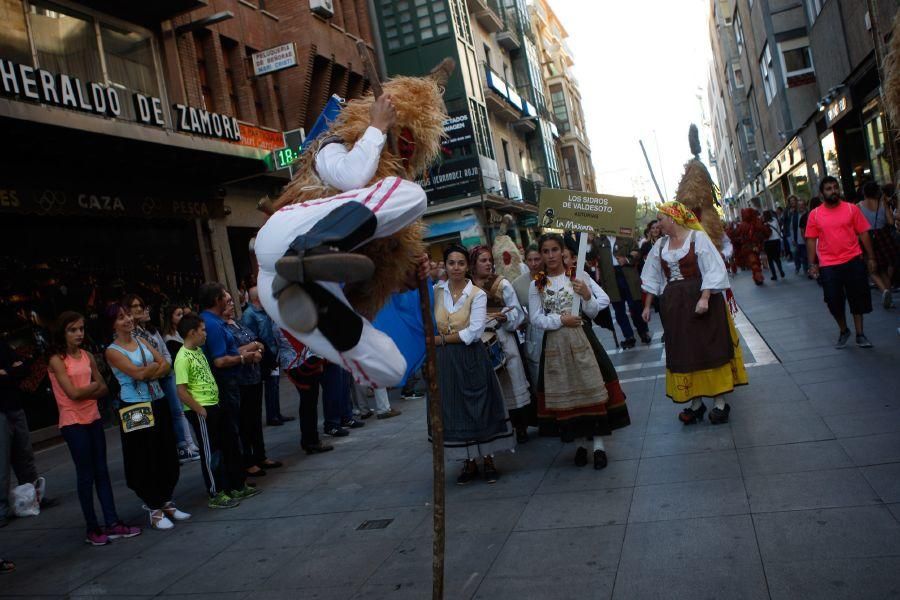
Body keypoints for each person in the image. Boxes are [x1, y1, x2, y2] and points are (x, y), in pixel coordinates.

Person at [640, 201, 748, 425]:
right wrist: (647, 306)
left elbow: (714, 268)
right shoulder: (660, 245)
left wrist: (706, 297)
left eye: (661, 218)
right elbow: (652, 277)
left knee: (709, 347)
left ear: (673, 218)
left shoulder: (697, 238)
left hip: (700, 298)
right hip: (674, 306)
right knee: (684, 350)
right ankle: (696, 403)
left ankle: (720, 402)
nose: (658, 223)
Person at [529, 234, 630, 469]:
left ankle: (598, 446)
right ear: (541, 255)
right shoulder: (538, 283)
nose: (551, 255)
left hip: (583, 338)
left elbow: (595, 308)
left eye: (555, 250)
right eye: (546, 251)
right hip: (555, 344)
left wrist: (585, 295)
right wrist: (560, 320)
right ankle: (579, 446)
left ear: (563, 252)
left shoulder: (578, 276)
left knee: (590, 387)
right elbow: (535, 318)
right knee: (566, 391)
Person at [48, 312, 141, 545]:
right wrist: (91, 389)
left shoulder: (87, 355)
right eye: (72, 329)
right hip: (72, 422)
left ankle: (112, 522)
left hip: (93, 417)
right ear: (62, 332)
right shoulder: (57, 360)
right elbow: (73, 393)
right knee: (85, 475)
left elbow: (104, 387)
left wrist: (88, 390)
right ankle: (92, 528)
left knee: (102, 471)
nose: (79, 333)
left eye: (80, 328)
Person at [433, 245, 514, 484]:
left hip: (471, 357)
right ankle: (467, 462)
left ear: (467, 266)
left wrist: (440, 340)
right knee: (454, 408)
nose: (456, 267)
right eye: (451, 263)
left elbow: (474, 332)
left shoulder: (477, 294)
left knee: (479, 404)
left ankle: (488, 459)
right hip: (445, 361)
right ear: (445, 266)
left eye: (460, 263)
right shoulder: (436, 291)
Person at [103, 303, 187, 531]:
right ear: (112, 324)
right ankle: (153, 507)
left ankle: (166, 499)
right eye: (121, 317)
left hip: (157, 400)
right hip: (134, 406)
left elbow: (165, 364)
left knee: (165, 450)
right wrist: (151, 369)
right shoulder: (112, 350)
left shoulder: (142, 340)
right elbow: (138, 373)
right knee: (143, 455)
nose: (128, 320)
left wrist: (150, 370)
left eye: (128, 315)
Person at [175, 314, 259, 509]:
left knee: (229, 444)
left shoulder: (198, 351)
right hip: (202, 409)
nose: (205, 334)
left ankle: (236, 485)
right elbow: (181, 390)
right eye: (202, 330)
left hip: (215, 404)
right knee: (210, 452)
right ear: (191, 332)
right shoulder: (182, 358)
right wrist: (200, 410)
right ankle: (216, 492)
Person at [125, 295, 198, 464]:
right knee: (145, 432)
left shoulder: (148, 332)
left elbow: (162, 357)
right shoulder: (118, 347)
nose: (139, 310)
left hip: (158, 382)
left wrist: (159, 369)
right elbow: (140, 370)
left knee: (172, 412)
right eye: (132, 308)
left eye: (140, 306)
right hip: (134, 394)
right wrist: (151, 371)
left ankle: (181, 447)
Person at [806, 176, 878, 348]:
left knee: (857, 298)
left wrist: (871, 257)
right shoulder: (815, 215)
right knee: (833, 301)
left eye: (835, 187)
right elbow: (811, 239)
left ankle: (860, 334)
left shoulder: (851, 209)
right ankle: (844, 329)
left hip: (853, 260)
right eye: (829, 189)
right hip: (829, 265)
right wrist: (812, 264)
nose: (833, 191)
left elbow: (864, 233)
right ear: (822, 193)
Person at [469, 245, 531, 443]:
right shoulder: (465, 287)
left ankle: (519, 425)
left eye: (489, 260)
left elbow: (518, 313)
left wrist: (506, 319)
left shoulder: (501, 283)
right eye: (483, 260)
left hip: (503, 337)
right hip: (479, 341)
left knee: (511, 380)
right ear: (473, 264)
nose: (488, 264)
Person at [0, 338, 56, 529]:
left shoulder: (2, 344)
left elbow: (24, 368)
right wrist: (12, 370)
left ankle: (33, 496)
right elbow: (18, 369)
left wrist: (6, 372)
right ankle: (2, 508)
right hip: (3, 410)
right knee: (2, 462)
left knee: (25, 455)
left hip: (14, 405)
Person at [224, 297, 282, 477]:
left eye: (231, 301)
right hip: (240, 380)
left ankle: (260, 455)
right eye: (226, 302)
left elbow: (258, 341)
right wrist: (254, 346)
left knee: (255, 419)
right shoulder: (222, 328)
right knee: (244, 421)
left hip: (254, 376)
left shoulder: (238, 324)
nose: (231, 304)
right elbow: (235, 351)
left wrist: (255, 346)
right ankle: (248, 460)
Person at [199, 283, 261, 448]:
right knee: (234, 426)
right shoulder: (212, 323)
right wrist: (242, 358)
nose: (228, 299)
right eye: (224, 296)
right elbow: (219, 360)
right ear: (216, 300)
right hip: (225, 382)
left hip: (231, 380)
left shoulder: (216, 321)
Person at [275, 327, 333, 454]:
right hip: (299, 362)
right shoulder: (283, 319)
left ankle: (310, 440)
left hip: (299, 360)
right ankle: (311, 441)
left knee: (308, 403)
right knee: (309, 403)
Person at [242, 287, 294, 427]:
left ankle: (276, 413)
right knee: (270, 383)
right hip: (263, 353)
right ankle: (272, 415)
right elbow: (249, 337)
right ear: (258, 298)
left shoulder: (265, 311)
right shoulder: (250, 314)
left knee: (274, 384)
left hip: (272, 351)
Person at [591, 234, 652, 348]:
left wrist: (627, 259)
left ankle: (643, 332)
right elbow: (591, 258)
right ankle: (629, 336)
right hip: (610, 278)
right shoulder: (598, 241)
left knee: (635, 306)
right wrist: (589, 243)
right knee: (619, 310)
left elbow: (637, 252)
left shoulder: (626, 237)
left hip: (627, 275)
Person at [858, 182, 897, 309]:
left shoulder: (859, 206)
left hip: (867, 238)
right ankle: (889, 296)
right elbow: (891, 221)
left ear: (864, 192)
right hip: (883, 237)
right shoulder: (882, 203)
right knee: (885, 269)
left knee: (872, 269)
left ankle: (884, 290)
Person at [512, 245, 544, 383]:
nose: (533, 263)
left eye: (537, 259)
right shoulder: (517, 284)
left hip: (557, 327)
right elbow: (517, 312)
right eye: (529, 260)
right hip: (533, 333)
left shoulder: (553, 277)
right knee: (538, 374)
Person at [734, 205, 768, 285]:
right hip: (755, 246)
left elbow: (736, 235)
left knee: (754, 262)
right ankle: (758, 277)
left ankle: (758, 277)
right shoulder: (757, 222)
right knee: (755, 262)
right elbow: (764, 232)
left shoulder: (743, 225)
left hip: (749, 246)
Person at [763, 210, 786, 281]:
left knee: (770, 260)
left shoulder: (763, 223)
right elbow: (778, 229)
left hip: (768, 242)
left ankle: (774, 275)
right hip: (776, 240)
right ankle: (781, 270)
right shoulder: (775, 220)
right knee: (777, 258)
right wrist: (780, 238)